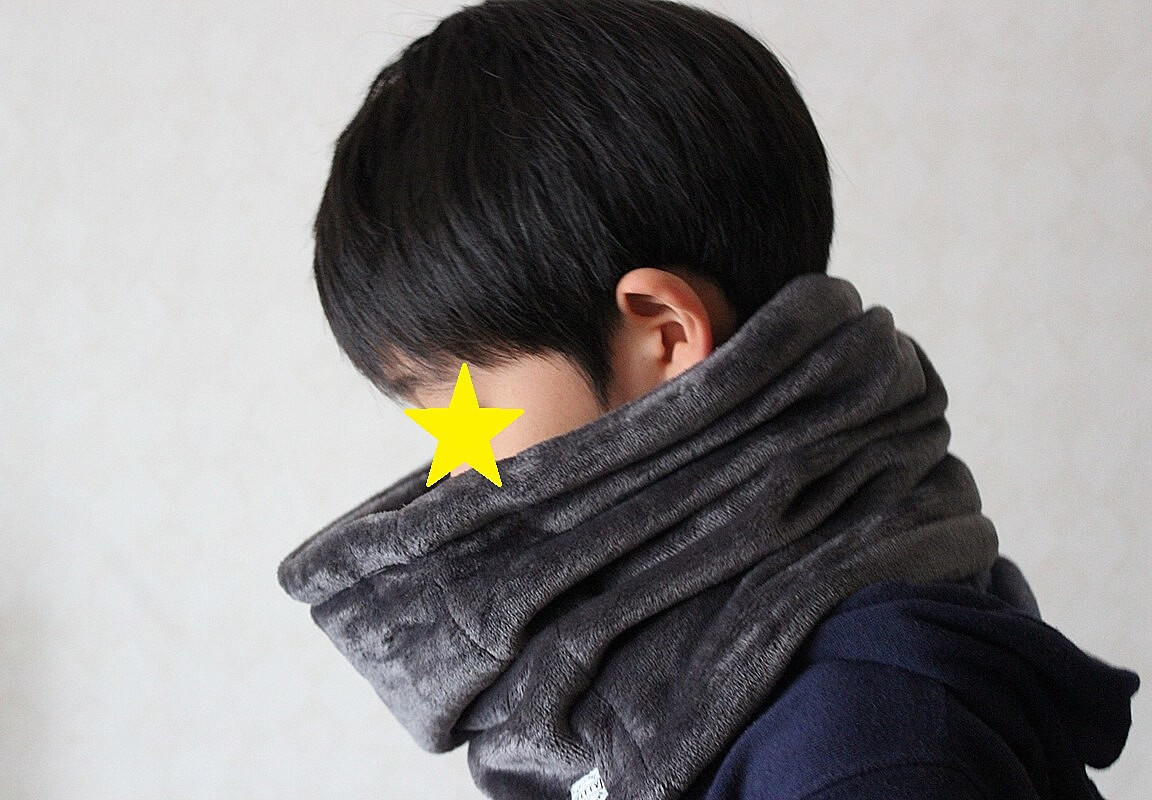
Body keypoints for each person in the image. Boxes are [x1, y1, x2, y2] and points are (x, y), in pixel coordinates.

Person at [279, 1, 1140, 798]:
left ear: (661, 334)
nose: (449, 459)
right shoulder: (684, 673)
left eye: (452, 392)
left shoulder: (866, 744)